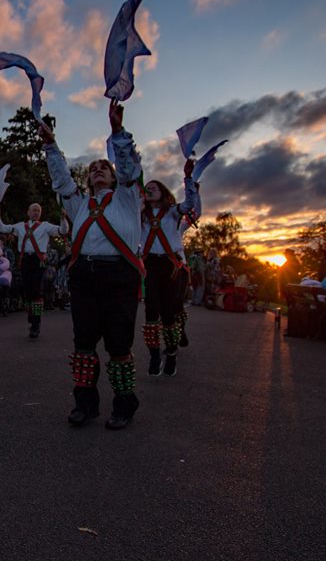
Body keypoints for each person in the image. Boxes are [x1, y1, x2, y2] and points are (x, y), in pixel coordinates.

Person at [42, 99, 146, 430]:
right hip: (84, 276)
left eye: (104, 166)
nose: (98, 169)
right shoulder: (78, 204)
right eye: (93, 168)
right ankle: (85, 404)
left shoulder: (129, 197)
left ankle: (124, 404)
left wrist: (118, 132)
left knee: (118, 344)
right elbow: (61, 180)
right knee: (83, 344)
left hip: (120, 276)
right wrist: (51, 146)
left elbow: (130, 168)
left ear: (114, 177)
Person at [139, 159, 200, 377]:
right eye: (147, 189)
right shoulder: (141, 217)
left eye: (154, 187)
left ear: (163, 193)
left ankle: (172, 353)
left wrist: (188, 178)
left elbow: (191, 203)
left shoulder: (174, 212)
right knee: (150, 310)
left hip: (171, 265)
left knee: (169, 312)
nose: (150, 190)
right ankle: (155, 355)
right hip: (150, 264)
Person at [0, 202, 68, 338]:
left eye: (38, 210)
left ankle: (36, 324)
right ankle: (32, 316)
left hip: (38, 260)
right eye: (33, 210)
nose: (36, 212)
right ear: (28, 212)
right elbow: (2, 228)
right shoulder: (20, 226)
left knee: (37, 291)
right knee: (27, 292)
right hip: (25, 260)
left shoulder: (45, 226)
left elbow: (63, 231)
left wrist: (63, 218)